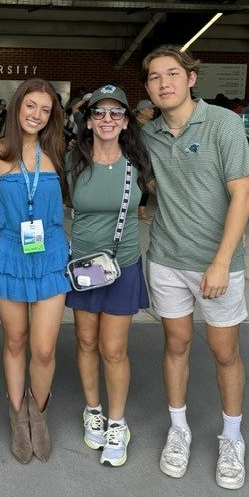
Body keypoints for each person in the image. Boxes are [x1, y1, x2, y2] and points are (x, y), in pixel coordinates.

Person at [140, 45, 249, 490]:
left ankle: (231, 436)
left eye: (172, 73)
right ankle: (179, 429)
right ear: (147, 87)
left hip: (217, 262)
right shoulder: (148, 136)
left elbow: (243, 194)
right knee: (177, 345)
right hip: (167, 258)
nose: (163, 82)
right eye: (154, 77)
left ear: (191, 78)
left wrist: (222, 261)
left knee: (225, 350)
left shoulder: (224, 124)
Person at [0, 78, 69, 464]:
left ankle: (40, 413)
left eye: (45, 109)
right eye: (30, 106)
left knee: (44, 348)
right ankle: (18, 415)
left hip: (50, 254)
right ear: (16, 108)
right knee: (15, 340)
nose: (36, 115)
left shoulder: (58, 151)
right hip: (9, 256)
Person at [66, 85, 152, 467]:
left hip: (123, 265)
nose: (107, 119)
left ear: (126, 121)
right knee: (85, 341)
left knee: (113, 348)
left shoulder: (139, 161)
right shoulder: (73, 162)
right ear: (88, 120)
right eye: (99, 112)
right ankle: (93, 410)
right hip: (84, 268)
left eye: (116, 113)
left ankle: (117, 422)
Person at [132, 99, 156, 220]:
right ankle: (139, 210)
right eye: (150, 108)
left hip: (149, 159)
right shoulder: (134, 126)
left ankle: (141, 210)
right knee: (144, 185)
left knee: (146, 186)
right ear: (141, 111)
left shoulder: (152, 125)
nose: (153, 110)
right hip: (137, 159)